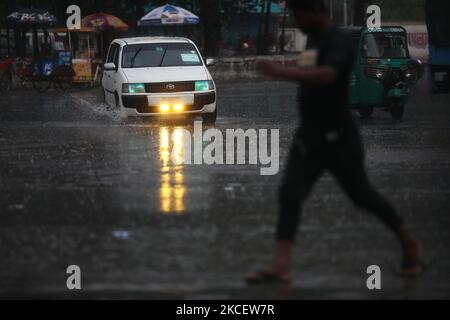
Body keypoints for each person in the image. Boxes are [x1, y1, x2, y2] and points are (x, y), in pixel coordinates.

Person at [246, 0, 423, 284]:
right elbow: (305, 65)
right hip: (310, 136)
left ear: (316, 13)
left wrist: (280, 73)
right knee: (289, 194)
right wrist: (278, 65)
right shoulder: (314, 40)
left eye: (300, 15)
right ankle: (280, 265)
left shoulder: (338, 40)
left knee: (362, 196)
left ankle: (409, 242)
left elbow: (327, 74)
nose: (297, 22)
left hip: (339, 137)